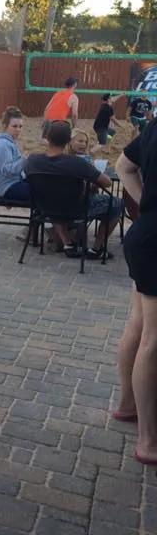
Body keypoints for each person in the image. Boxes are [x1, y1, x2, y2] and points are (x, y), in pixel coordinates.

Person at [114, 120, 157, 467]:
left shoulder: (155, 127)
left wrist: (147, 206)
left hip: (145, 235)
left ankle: (128, 405)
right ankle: (148, 439)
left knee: (139, 325)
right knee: (153, 340)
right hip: (152, 242)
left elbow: (123, 165)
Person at [24, 120, 122, 259]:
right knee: (117, 203)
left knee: (52, 198)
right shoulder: (77, 163)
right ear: (68, 141)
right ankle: (97, 249)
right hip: (76, 210)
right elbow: (107, 183)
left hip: (44, 208)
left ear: (47, 138)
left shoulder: (32, 160)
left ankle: (68, 243)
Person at [0, 106, 29, 201]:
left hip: (14, 183)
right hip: (7, 187)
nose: (18, 129)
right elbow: (7, 170)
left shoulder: (10, 142)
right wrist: (24, 161)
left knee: (43, 185)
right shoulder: (2, 144)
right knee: (42, 192)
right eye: (14, 126)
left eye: (20, 126)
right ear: (5, 126)